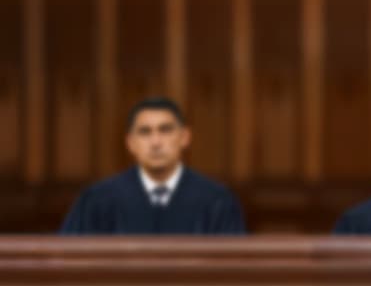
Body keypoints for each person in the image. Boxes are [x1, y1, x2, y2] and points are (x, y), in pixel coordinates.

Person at [60, 97, 246, 234]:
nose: (156, 142)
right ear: (130, 143)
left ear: (184, 137)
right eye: (144, 132)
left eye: (165, 130)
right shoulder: (98, 200)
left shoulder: (216, 201)